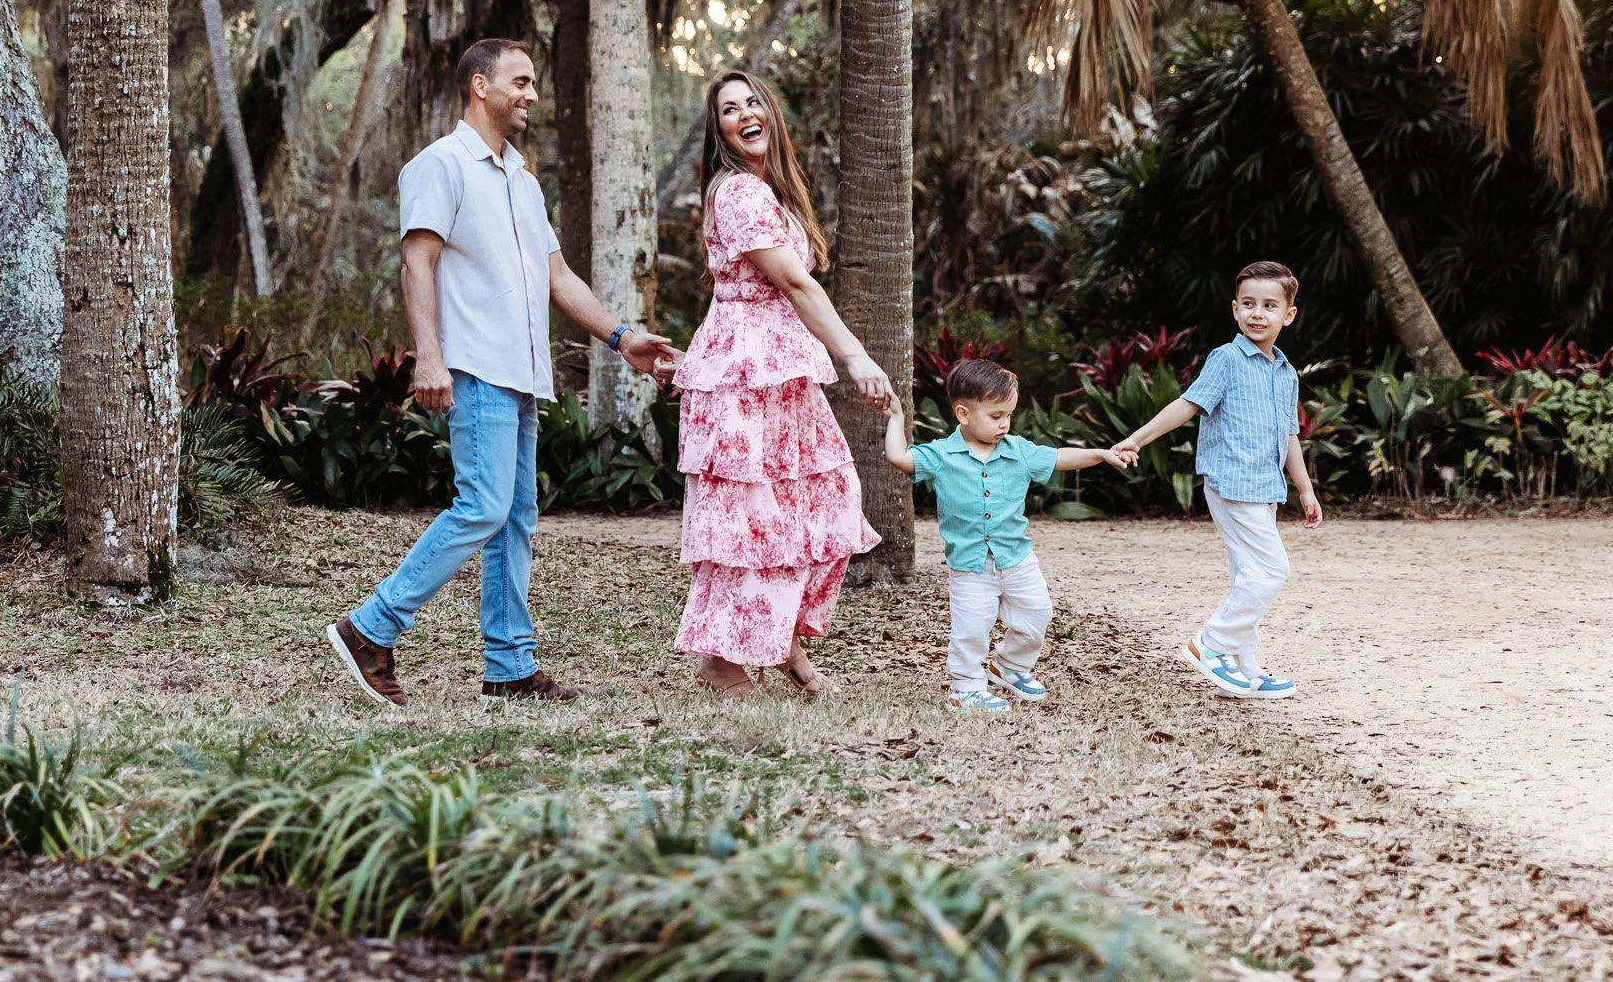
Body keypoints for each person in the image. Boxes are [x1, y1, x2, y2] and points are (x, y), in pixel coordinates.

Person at [326, 38, 677, 706]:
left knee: (514, 517)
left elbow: (557, 275)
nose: (532, 94)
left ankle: (510, 663)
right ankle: (370, 627)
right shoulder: (441, 165)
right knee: (483, 506)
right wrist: (429, 355)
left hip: (520, 376)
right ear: (479, 85)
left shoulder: (521, 178)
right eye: (520, 80)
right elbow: (416, 264)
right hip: (475, 367)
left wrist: (622, 336)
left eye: (535, 81)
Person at [670, 71, 892, 698]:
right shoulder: (738, 193)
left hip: (782, 370)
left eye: (753, 101)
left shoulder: (772, 193)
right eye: (728, 109)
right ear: (718, 131)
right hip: (743, 372)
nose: (744, 113)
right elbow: (795, 285)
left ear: (771, 112)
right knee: (751, 516)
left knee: (822, 499)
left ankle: (784, 641)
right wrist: (855, 357)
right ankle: (721, 661)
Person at [1111, 261, 1323, 699]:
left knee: (1248, 575)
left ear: (1289, 314)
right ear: (1234, 309)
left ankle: (1244, 667)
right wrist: (1136, 438)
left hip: (1265, 487)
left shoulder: (1286, 373)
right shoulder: (1226, 359)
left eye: (1268, 305)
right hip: (1230, 482)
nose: (1257, 313)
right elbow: (1188, 405)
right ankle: (1212, 645)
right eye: (1248, 304)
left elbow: (1289, 435)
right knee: (1272, 571)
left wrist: (1304, 487)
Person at [885, 359, 1132, 713]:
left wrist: (1102, 455)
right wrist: (895, 418)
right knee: (972, 628)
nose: (1005, 423)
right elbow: (898, 457)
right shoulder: (941, 455)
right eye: (996, 415)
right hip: (970, 565)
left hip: (1017, 558)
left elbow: (1060, 457)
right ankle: (967, 688)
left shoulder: (1019, 452)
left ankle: (1011, 665)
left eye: (1009, 415)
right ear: (963, 413)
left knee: (1037, 613)